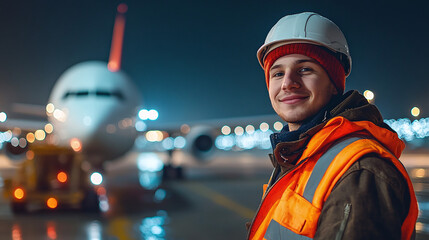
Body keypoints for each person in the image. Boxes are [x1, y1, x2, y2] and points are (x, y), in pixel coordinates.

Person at [247, 12, 418, 240]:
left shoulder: (360, 170)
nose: (288, 83)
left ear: (334, 83)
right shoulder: (300, 154)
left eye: (305, 69)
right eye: (277, 73)